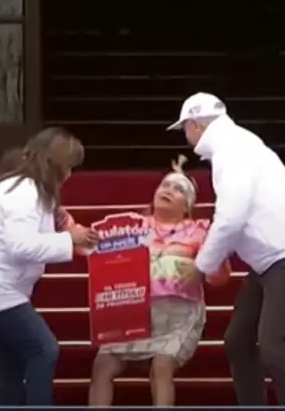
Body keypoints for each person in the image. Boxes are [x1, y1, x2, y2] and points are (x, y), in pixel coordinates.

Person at [168, 92, 285, 406]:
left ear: (195, 125)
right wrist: (214, 254)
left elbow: (231, 217)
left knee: (274, 344)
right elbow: (234, 217)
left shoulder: (232, 151)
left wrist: (201, 266)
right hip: (272, 260)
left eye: (185, 129)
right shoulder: (237, 144)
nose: (186, 137)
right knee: (239, 340)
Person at [0, 128, 98, 407]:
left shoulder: (20, 187)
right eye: (68, 167)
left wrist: (71, 237)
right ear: (55, 164)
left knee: (13, 363)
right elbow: (22, 245)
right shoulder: (26, 191)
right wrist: (69, 239)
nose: (69, 175)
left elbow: (36, 233)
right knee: (44, 349)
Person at [88, 155, 232, 407]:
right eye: (165, 185)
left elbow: (219, 280)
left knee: (161, 366)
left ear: (187, 205)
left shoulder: (200, 231)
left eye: (178, 189)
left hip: (179, 314)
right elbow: (98, 257)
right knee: (102, 366)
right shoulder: (130, 228)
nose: (168, 190)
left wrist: (208, 264)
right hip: (133, 311)